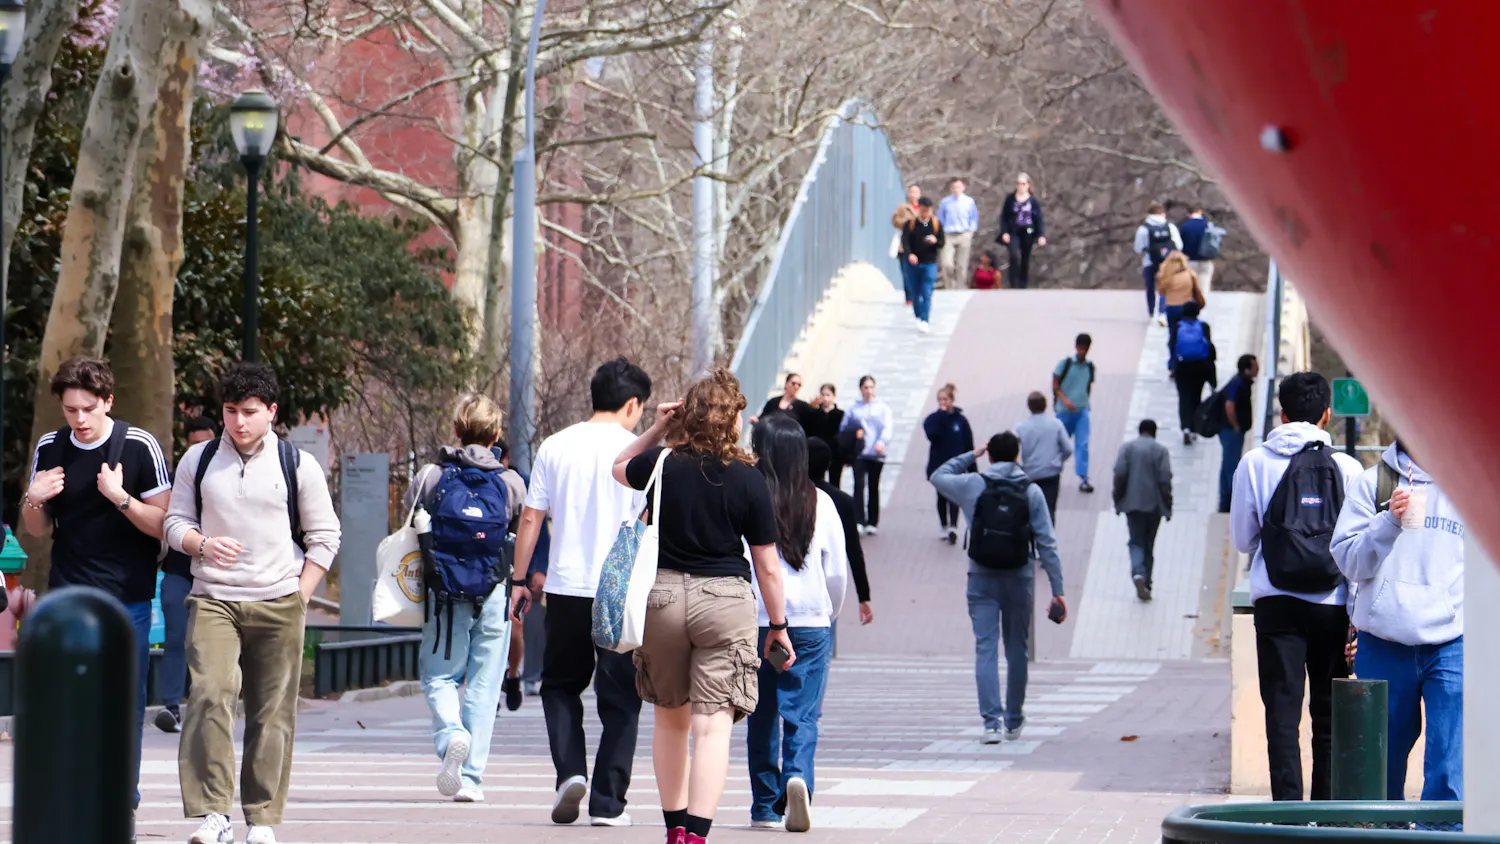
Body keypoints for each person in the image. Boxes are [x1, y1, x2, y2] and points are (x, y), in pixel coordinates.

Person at [610, 368, 796, 844]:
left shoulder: (661, 463)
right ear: (731, 418)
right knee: (712, 729)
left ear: (688, 413)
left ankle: (673, 829)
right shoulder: (749, 478)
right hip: (726, 601)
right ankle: (696, 836)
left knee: (670, 719)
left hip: (664, 598)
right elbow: (768, 566)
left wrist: (656, 428)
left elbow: (618, 466)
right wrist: (778, 624)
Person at [167, 363, 341, 844]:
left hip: (279, 601)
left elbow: (325, 535)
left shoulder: (296, 463)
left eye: (249, 412)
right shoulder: (197, 460)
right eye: (230, 411)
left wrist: (300, 595)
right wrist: (200, 544)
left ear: (271, 412)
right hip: (213, 599)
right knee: (208, 696)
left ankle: (261, 817)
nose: (238, 422)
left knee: (272, 711)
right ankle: (213, 812)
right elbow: (174, 522)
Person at [22, 356, 173, 833]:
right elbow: (37, 530)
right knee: (64, 702)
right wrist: (33, 497)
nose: (80, 420)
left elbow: (163, 526)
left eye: (88, 408)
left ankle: (121, 801)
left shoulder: (139, 446)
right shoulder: (50, 446)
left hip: (126, 598)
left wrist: (120, 497)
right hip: (67, 596)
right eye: (70, 410)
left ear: (108, 401)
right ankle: (70, 794)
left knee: (124, 704)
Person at [508, 357, 652, 827]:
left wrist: (519, 579)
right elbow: (650, 523)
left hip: (566, 588)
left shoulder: (556, 445)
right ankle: (609, 804)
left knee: (560, 686)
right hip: (620, 592)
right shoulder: (638, 451)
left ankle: (570, 772)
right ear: (633, 404)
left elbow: (531, 517)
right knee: (620, 697)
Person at [1230, 372, 1363, 802]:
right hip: (1332, 603)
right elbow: (1355, 547)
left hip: (1276, 603)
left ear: (1281, 414)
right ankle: (1326, 820)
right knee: (1328, 717)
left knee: (1282, 717)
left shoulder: (1254, 462)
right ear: (1326, 414)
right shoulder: (1348, 467)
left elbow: (1243, 540)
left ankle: (1288, 816)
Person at [1331, 441, 1464, 801]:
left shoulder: (1470, 482)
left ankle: (1441, 836)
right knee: (1379, 764)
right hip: (1383, 641)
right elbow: (1349, 563)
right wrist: (1387, 522)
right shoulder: (1374, 483)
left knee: (1450, 766)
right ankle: (1384, 831)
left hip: (1453, 642)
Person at [405, 395, 515, 802]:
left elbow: (409, 520)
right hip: (494, 590)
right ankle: (470, 780)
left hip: (444, 592)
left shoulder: (432, 477)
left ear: (456, 430)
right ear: (497, 435)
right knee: (485, 686)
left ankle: (452, 733)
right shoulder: (510, 483)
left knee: (439, 676)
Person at [745, 416, 850, 832]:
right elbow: (837, 571)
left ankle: (765, 808)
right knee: (803, 714)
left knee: (762, 713)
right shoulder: (820, 501)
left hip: (758, 620)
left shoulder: (749, 497)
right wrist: (830, 613)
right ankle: (798, 778)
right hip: (810, 622)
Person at [929, 432, 1066, 744]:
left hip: (981, 576)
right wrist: (1057, 589)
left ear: (989, 456)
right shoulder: (1031, 491)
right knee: (1017, 649)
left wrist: (970, 455)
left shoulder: (973, 484)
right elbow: (1047, 542)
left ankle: (991, 723)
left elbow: (937, 476)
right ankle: (1014, 719)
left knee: (986, 647)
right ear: (1018, 455)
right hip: (1020, 576)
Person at [155, 414, 220, 734]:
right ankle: (170, 707)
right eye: (193, 443)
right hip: (179, 574)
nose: (199, 449)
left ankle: (207, 706)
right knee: (177, 639)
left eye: (205, 443)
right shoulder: (174, 479)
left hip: (218, 576)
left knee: (212, 643)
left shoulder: (229, 476)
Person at [489, 436, 550, 710]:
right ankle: (489, 689)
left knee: (515, 629)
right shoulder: (463, 479)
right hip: (481, 571)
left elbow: (534, 526)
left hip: (514, 569)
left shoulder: (520, 482)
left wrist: (537, 569)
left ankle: (513, 675)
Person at [806, 438, 874, 626]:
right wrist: (864, 596)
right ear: (828, 465)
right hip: (827, 587)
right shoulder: (841, 501)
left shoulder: (784, 495)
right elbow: (854, 550)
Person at [1112, 419, 1173, 601]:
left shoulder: (1127, 448)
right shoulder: (1161, 451)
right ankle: (1147, 582)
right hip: (1154, 506)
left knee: (1136, 541)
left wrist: (1118, 499)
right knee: (1149, 543)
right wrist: (1168, 505)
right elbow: (1165, 479)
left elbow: (1120, 473)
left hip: (1132, 503)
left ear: (1139, 431)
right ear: (1154, 432)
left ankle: (1138, 572)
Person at [840, 376, 893, 535]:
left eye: (871, 387)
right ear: (861, 389)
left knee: (873, 486)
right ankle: (859, 520)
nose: (868, 390)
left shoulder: (883, 408)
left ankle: (872, 521)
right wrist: (854, 433)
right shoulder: (854, 408)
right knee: (858, 486)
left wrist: (882, 442)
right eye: (865, 387)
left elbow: (887, 428)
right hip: (860, 454)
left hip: (876, 454)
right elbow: (844, 426)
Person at [923, 383, 975, 545]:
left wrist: (971, 466)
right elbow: (932, 434)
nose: (942, 402)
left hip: (956, 465)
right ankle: (943, 525)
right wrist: (942, 416)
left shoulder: (961, 421)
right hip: (939, 464)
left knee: (953, 495)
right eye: (939, 400)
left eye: (945, 399)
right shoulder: (934, 419)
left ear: (951, 400)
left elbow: (968, 443)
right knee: (941, 495)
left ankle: (953, 526)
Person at [1014, 391, 1073, 523]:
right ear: (1045, 406)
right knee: (1049, 510)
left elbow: (1011, 446)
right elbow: (1068, 448)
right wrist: (1059, 460)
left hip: (1029, 474)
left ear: (1029, 407)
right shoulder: (1056, 425)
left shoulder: (1021, 427)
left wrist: (1018, 466)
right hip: (1051, 473)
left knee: (1029, 509)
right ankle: (1048, 539)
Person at [1052, 334, 1096, 493]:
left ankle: (1083, 477)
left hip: (1082, 411)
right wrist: (1064, 400)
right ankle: (1053, 472)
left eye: (1085, 348)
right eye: (1081, 348)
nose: (1082, 351)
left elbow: (1088, 386)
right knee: (1059, 446)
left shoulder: (1090, 367)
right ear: (1076, 347)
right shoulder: (1066, 364)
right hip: (1064, 411)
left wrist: (1084, 401)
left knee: (1082, 444)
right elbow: (1055, 382)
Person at [1172, 300, 1217, 445]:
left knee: (1184, 397)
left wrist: (1173, 366)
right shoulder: (1204, 326)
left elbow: (1172, 346)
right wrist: (1212, 379)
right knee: (1196, 397)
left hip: (1182, 368)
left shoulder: (1178, 326)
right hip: (1200, 367)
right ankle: (1194, 429)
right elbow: (1209, 349)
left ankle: (1185, 427)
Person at [1219, 355, 1260, 512]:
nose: (1258, 369)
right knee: (1231, 465)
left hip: (1230, 430)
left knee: (1227, 464)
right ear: (1247, 369)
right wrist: (1236, 426)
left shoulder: (1242, 382)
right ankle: (1231, 502)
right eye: (1255, 366)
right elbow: (1230, 405)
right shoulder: (1238, 383)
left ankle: (1225, 501)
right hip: (1231, 431)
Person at [1156, 250, 1206, 371]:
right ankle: (1190, 358)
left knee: (1173, 335)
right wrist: (1201, 303)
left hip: (1171, 307)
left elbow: (1161, 292)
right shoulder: (1190, 274)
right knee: (1188, 332)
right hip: (1186, 308)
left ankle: (1173, 363)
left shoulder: (1165, 276)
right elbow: (1197, 291)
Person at [901, 196, 944, 333]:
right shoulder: (911, 224)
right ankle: (918, 316)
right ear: (918, 209)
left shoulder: (936, 224)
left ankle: (925, 319)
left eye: (928, 211)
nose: (925, 214)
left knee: (927, 292)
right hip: (914, 263)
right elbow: (905, 242)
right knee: (915, 292)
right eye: (923, 210)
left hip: (930, 262)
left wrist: (935, 240)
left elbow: (942, 242)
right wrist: (910, 254)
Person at [995, 173, 1046, 289]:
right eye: (1018, 183)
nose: (1020, 186)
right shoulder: (1010, 199)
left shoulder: (1033, 201)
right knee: (1014, 255)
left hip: (1028, 232)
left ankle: (1023, 283)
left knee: (1025, 257)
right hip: (1013, 231)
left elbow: (1039, 219)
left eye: (1023, 184)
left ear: (1028, 185)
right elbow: (1004, 217)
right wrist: (1004, 232)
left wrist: (1041, 235)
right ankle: (1013, 283)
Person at [1133, 202, 1183, 320]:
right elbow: (1179, 245)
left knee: (1150, 287)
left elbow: (1138, 248)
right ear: (1163, 213)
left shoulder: (1143, 229)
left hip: (1149, 262)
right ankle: (1162, 312)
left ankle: (1151, 312)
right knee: (1164, 287)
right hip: (1167, 262)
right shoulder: (1170, 227)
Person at [937, 177, 980, 290]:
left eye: (959, 187)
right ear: (951, 189)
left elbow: (974, 217)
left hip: (963, 233)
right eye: (954, 187)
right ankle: (949, 287)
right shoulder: (945, 202)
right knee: (947, 264)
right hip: (948, 234)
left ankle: (961, 287)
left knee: (961, 265)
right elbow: (940, 219)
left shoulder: (969, 201)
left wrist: (971, 231)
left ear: (963, 188)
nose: (956, 190)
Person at [805, 384, 846, 488]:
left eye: (828, 395)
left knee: (835, 482)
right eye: (823, 395)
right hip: (817, 453)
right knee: (817, 482)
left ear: (833, 396)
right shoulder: (814, 414)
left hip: (835, 453)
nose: (825, 398)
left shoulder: (840, 414)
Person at [892, 184, 922, 306]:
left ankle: (918, 293)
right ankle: (909, 296)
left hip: (919, 244)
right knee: (905, 271)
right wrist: (907, 223)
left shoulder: (923, 208)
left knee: (918, 270)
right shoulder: (902, 208)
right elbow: (895, 221)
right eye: (911, 192)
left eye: (916, 192)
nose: (913, 195)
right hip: (904, 243)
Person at [1179, 206, 1219, 291]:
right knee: (1204, 285)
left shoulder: (1185, 226)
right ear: (1200, 212)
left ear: (1189, 214)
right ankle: (1201, 302)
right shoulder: (1208, 225)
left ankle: (1191, 302)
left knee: (1190, 286)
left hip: (1190, 259)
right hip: (1206, 259)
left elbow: (1179, 244)